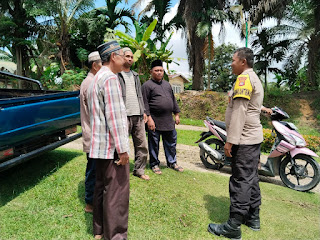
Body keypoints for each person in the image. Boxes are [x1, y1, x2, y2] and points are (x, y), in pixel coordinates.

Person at [208, 47, 264, 240]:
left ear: (243, 62)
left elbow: (240, 112)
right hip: (253, 138)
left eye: (233, 60)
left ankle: (233, 226)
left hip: (244, 139)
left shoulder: (244, 79)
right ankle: (253, 217)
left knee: (240, 179)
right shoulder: (254, 78)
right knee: (251, 178)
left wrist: (230, 141)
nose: (231, 63)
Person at [87, 41, 130, 240]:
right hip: (112, 148)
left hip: (99, 146)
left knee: (101, 189)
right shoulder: (111, 79)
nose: (125, 58)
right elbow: (115, 118)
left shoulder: (97, 78)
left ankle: (100, 230)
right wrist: (122, 149)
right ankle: (116, 236)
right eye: (122, 54)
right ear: (113, 56)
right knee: (117, 194)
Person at [141, 59, 183, 175]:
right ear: (151, 71)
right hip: (154, 120)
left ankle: (172, 162)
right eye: (156, 70)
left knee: (171, 142)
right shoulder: (147, 86)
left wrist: (177, 114)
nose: (159, 72)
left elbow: (173, 100)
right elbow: (144, 103)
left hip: (168, 120)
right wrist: (149, 119)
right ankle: (154, 164)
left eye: (161, 70)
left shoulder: (167, 85)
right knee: (154, 144)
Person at [118, 47, 150, 181]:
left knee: (142, 144)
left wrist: (143, 111)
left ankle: (139, 170)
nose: (130, 59)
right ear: (122, 57)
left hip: (138, 115)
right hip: (123, 115)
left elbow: (140, 95)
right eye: (127, 56)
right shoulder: (116, 75)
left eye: (131, 57)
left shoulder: (135, 75)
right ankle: (120, 171)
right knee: (122, 144)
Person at [80, 51, 102, 214]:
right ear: (95, 66)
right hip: (93, 135)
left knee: (95, 169)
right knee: (93, 170)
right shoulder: (90, 84)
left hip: (93, 135)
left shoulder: (91, 81)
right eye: (103, 63)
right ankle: (89, 203)